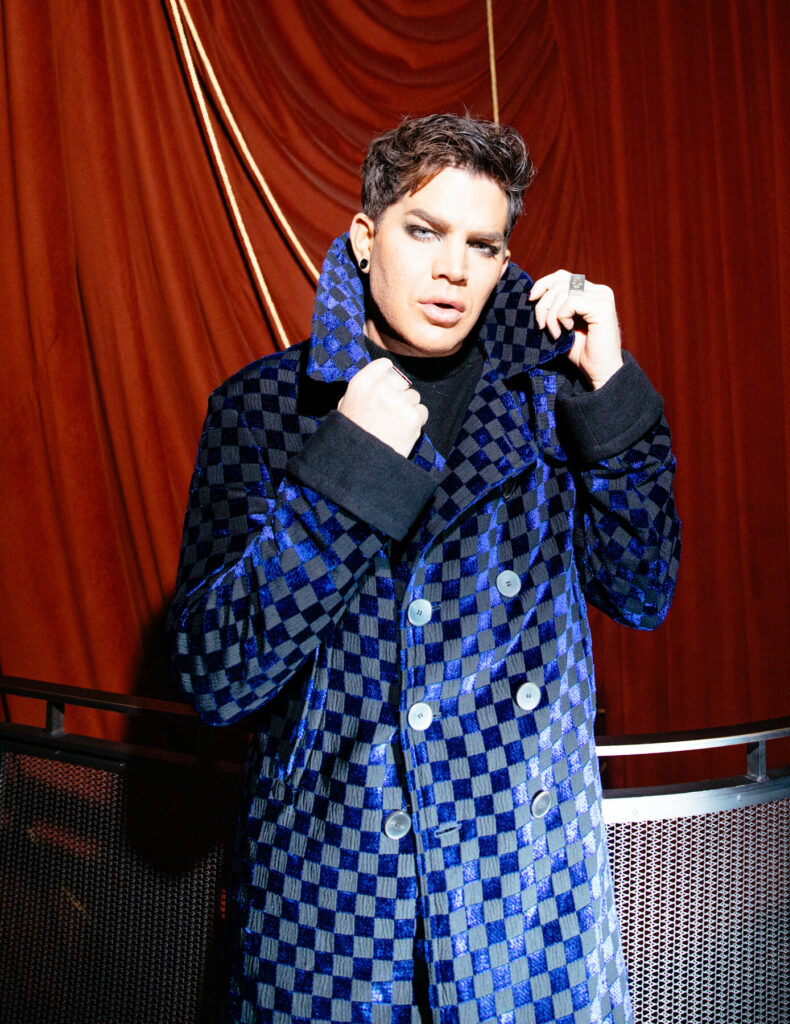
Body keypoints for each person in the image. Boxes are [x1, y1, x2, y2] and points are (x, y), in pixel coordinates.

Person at [168, 112, 681, 1024]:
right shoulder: (265, 409)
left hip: (526, 918)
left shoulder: (549, 397)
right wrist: (346, 474)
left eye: (483, 245)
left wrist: (608, 393)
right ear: (366, 238)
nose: (453, 269)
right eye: (424, 230)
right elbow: (217, 678)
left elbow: (644, 591)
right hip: (333, 919)